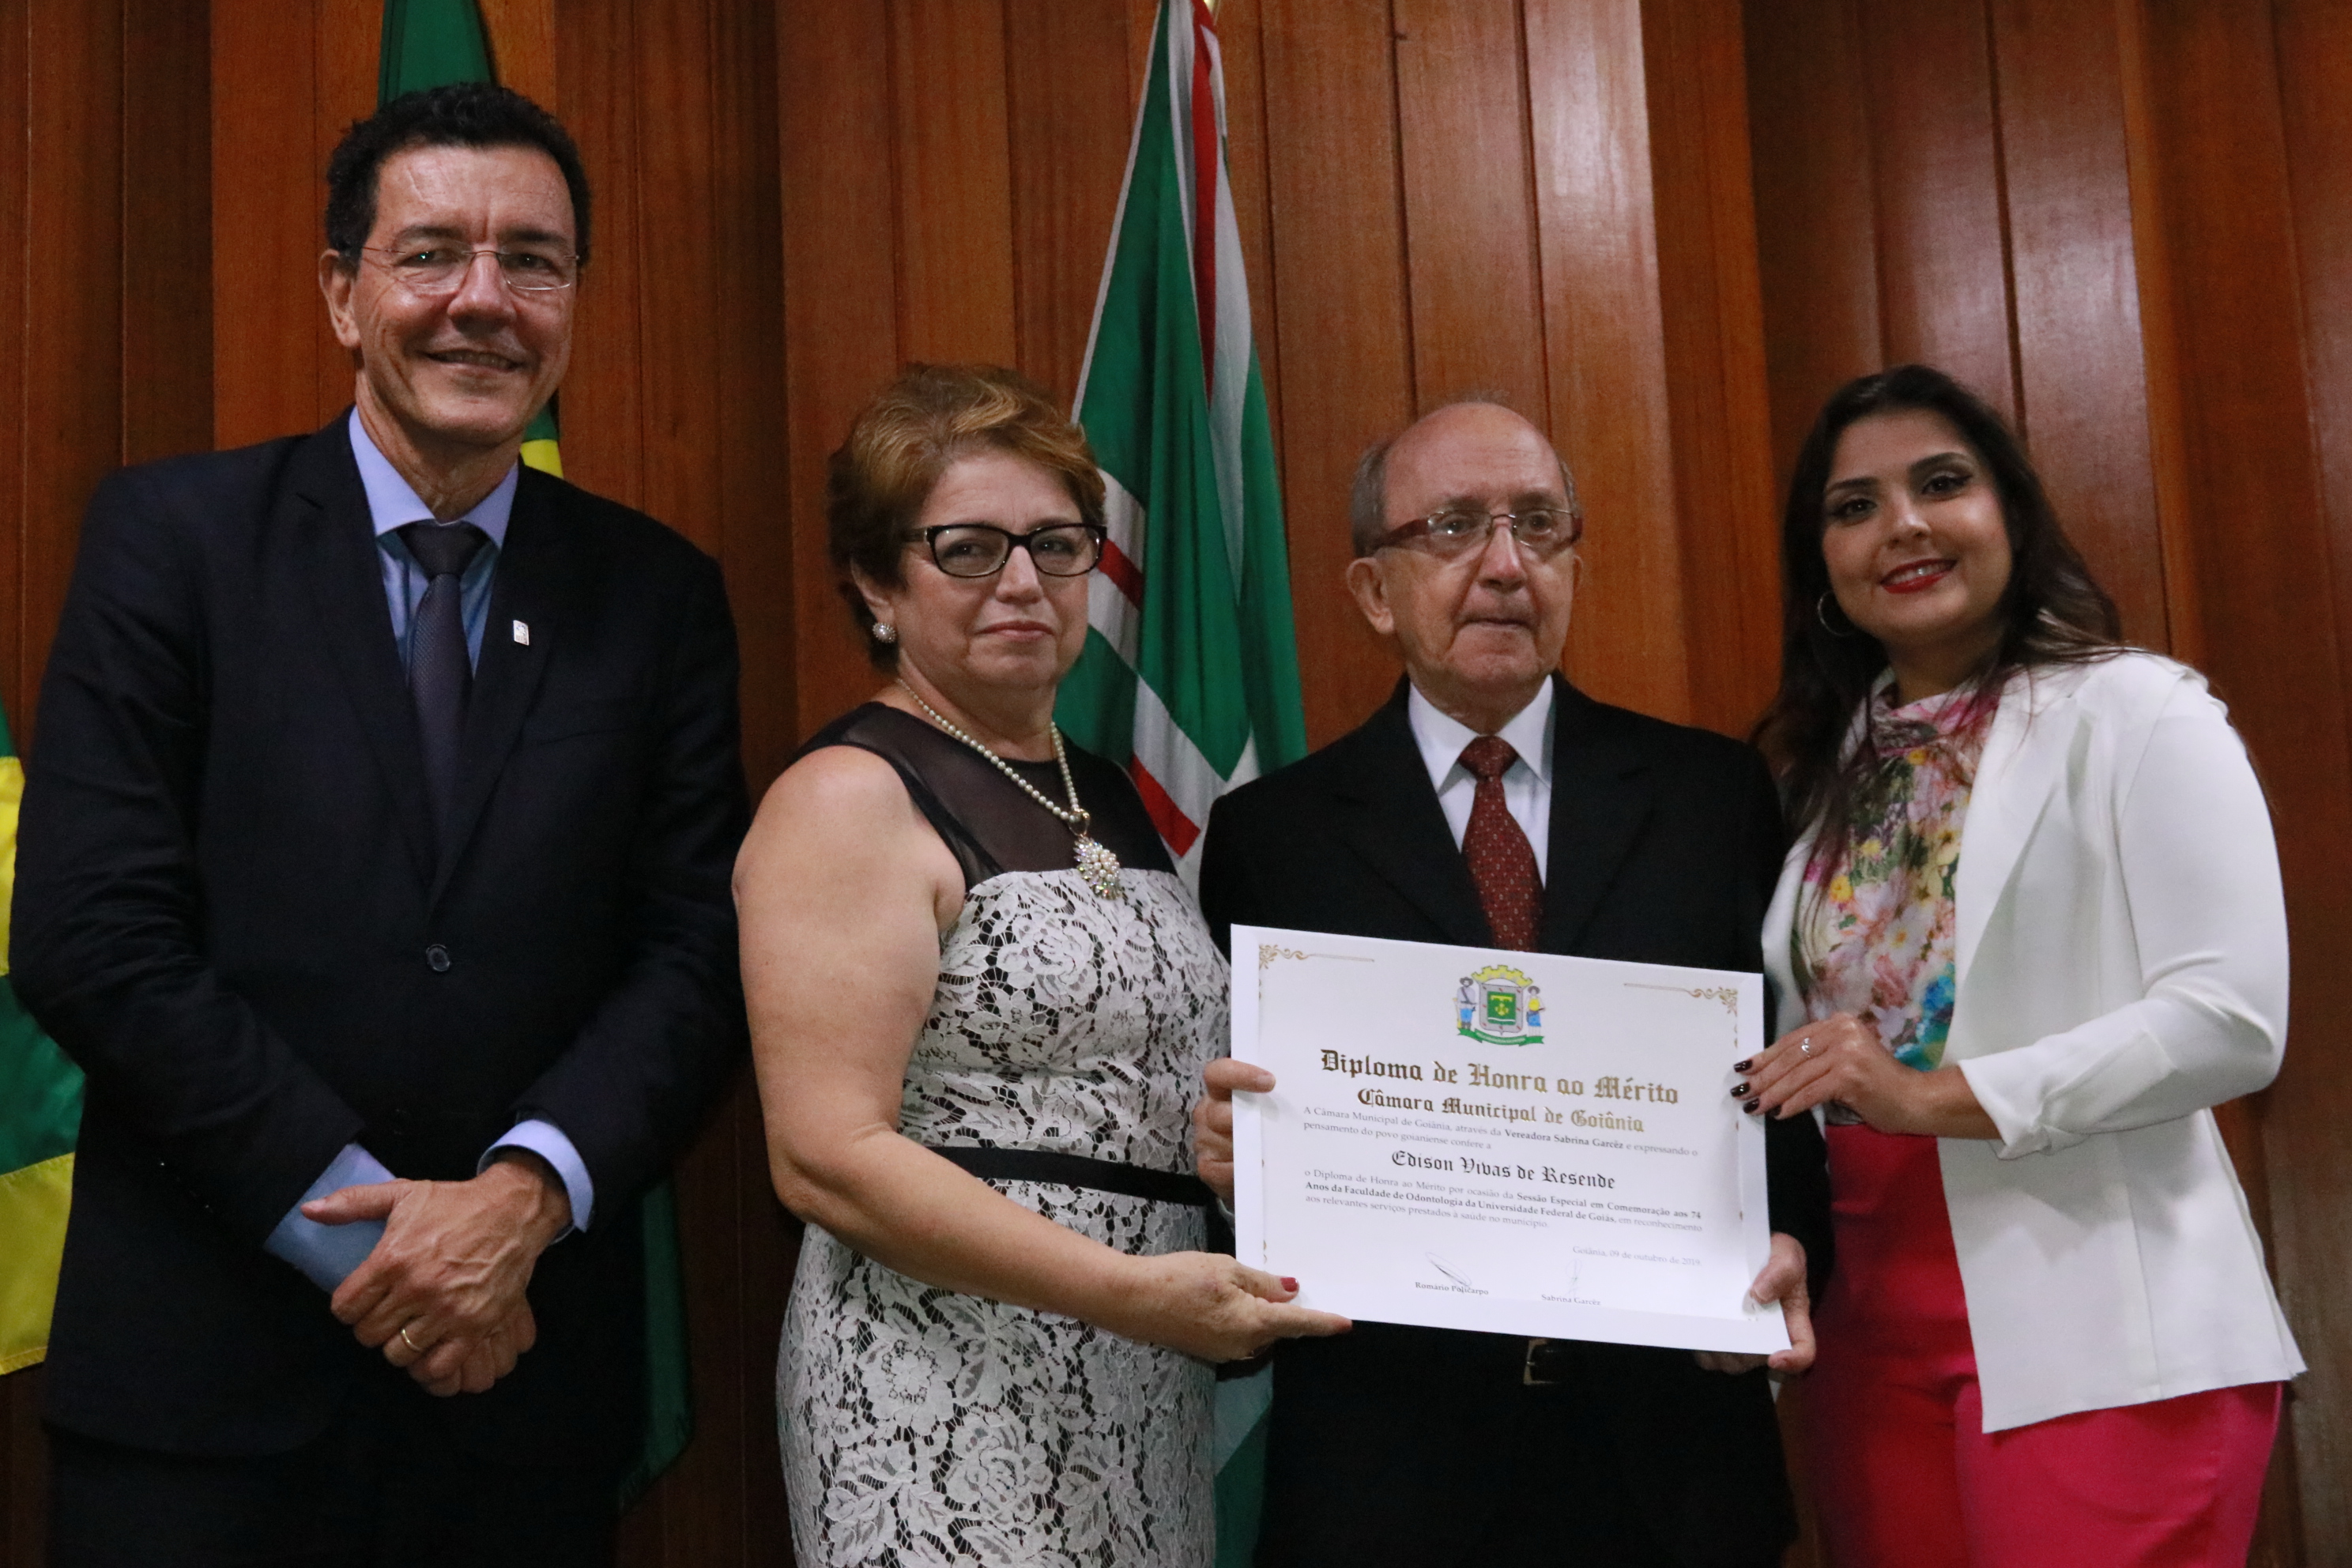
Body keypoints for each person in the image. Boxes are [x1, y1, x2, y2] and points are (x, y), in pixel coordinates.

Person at [13, 84, 748, 1563]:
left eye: (532, 260)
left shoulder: (657, 595)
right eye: (431, 254)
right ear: (343, 295)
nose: (484, 300)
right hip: (202, 1395)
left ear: (574, 302)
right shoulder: (173, 543)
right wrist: (381, 1235)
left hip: (517, 1394)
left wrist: (521, 1202)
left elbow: (692, 954)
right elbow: (93, 936)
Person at [1193, 399, 1832, 1568]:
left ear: (1574, 566)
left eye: (1537, 525)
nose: (1503, 565)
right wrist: (1242, 1175)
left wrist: (1791, 1243)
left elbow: (1775, 1087)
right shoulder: (1273, 837)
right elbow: (1252, 1163)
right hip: (1391, 1478)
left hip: (1673, 1464)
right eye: (1452, 528)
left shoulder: (1712, 798)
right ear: (1374, 591)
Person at [737, 363, 1347, 1568]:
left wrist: (1228, 1152)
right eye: (967, 549)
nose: (1021, 582)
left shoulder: (1106, 793)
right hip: (936, 1390)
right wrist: (1129, 1293)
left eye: (1056, 546)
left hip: (1141, 1397)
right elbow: (827, 1159)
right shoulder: (848, 798)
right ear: (876, 583)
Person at [1741, 364, 2303, 1565]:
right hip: (1862, 1329)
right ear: (1822, 564)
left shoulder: (2139, 712)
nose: (1903, 525)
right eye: (1854, 506)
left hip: (2101, 1322)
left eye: (1942, 483)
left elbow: (2231, 1019)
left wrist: (1932, 1097)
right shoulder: (1816, 773)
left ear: (2011, 511)